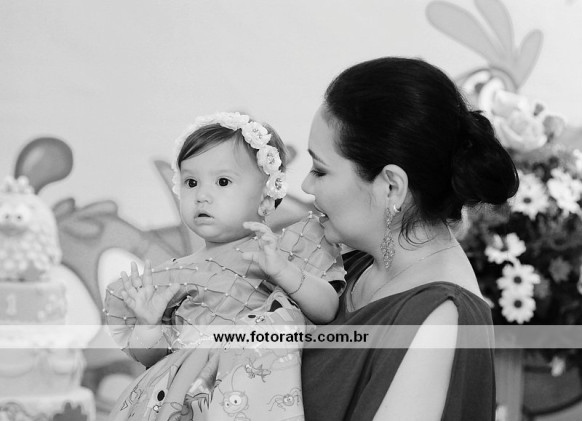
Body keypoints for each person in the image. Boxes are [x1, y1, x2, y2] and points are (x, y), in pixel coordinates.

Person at [300, 57, 519, 421]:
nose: (306, 185)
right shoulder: (354, 262)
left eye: (320, 170)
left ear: (391, 187)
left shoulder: (437, 318)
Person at [104, 112, 345, 420]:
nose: (202, 196)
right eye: (191, 182)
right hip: (187, 405)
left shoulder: (282, 251)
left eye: (222, 182)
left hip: (257, 394)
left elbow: (327, 309)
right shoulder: (175, 276)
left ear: (266, 197)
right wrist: (148, 326)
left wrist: (283, 271)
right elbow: (153, 360)